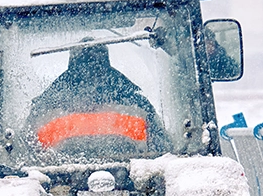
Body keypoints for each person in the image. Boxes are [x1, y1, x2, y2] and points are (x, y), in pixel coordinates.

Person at [27, 39, 170, 155]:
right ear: (106, 67)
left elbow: (25, 154)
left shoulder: (43, 111)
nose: (89, 78)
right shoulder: (138, 107)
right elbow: (164, 152)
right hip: (135, 179)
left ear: (71, 67)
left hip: (55, 181)